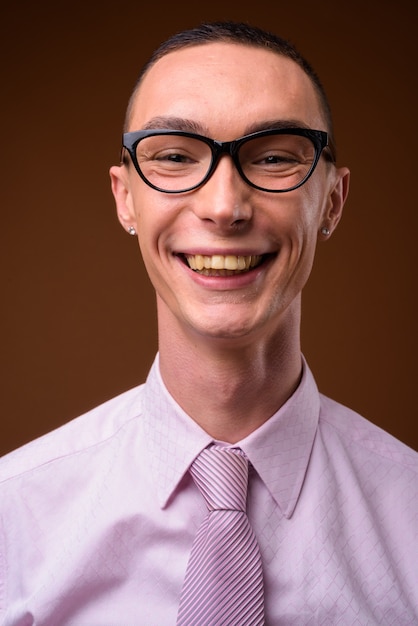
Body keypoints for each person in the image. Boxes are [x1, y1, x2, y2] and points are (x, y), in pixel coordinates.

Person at [0, 20, 417, 626]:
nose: (224, 207)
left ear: (332, 200)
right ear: (125, 199)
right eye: (173, 156)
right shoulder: (14, 517)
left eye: (274, 157)